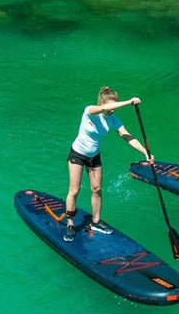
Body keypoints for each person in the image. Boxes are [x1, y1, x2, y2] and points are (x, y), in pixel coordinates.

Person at [64, 87, 153, 241]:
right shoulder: (90, 111)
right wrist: (128, 102)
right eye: (113, 106)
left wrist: (145, 152)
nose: (113, 110)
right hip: (77, 154)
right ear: (102, 102)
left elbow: (127, 137)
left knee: (97, 189)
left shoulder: (112, 120)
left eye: (115, 106)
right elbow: (105, 108)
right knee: (74, 190)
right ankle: (70, 224)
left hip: (94, 156)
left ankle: (96, 222)